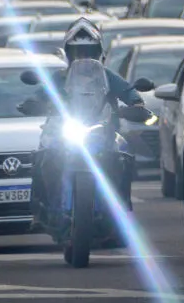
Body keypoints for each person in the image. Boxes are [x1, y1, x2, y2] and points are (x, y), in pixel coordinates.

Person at [32, 18, 143, 222]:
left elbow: (128, 91)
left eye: (89, 52)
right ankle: (45, 208)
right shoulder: (59, 77)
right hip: (64, 131)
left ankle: (118, 206)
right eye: (78, 52)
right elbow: (41, 94)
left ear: (98, 53)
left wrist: (136, 104)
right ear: (69, 53)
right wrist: (33, 103)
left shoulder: (108, 76)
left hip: (103, 131)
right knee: (44, 154)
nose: (83, 57)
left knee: (123, 154)